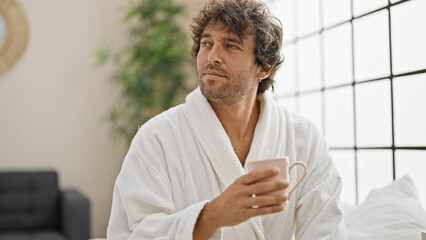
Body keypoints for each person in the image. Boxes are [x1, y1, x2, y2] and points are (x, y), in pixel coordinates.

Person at [107, 0, 347, 239]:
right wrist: (211, 216)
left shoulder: (304, 139)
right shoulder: (155, 138)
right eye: (206, 43)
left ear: (264, 67)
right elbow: (131, 233)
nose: (213, 57)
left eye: (231, 46)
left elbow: (327, 230)